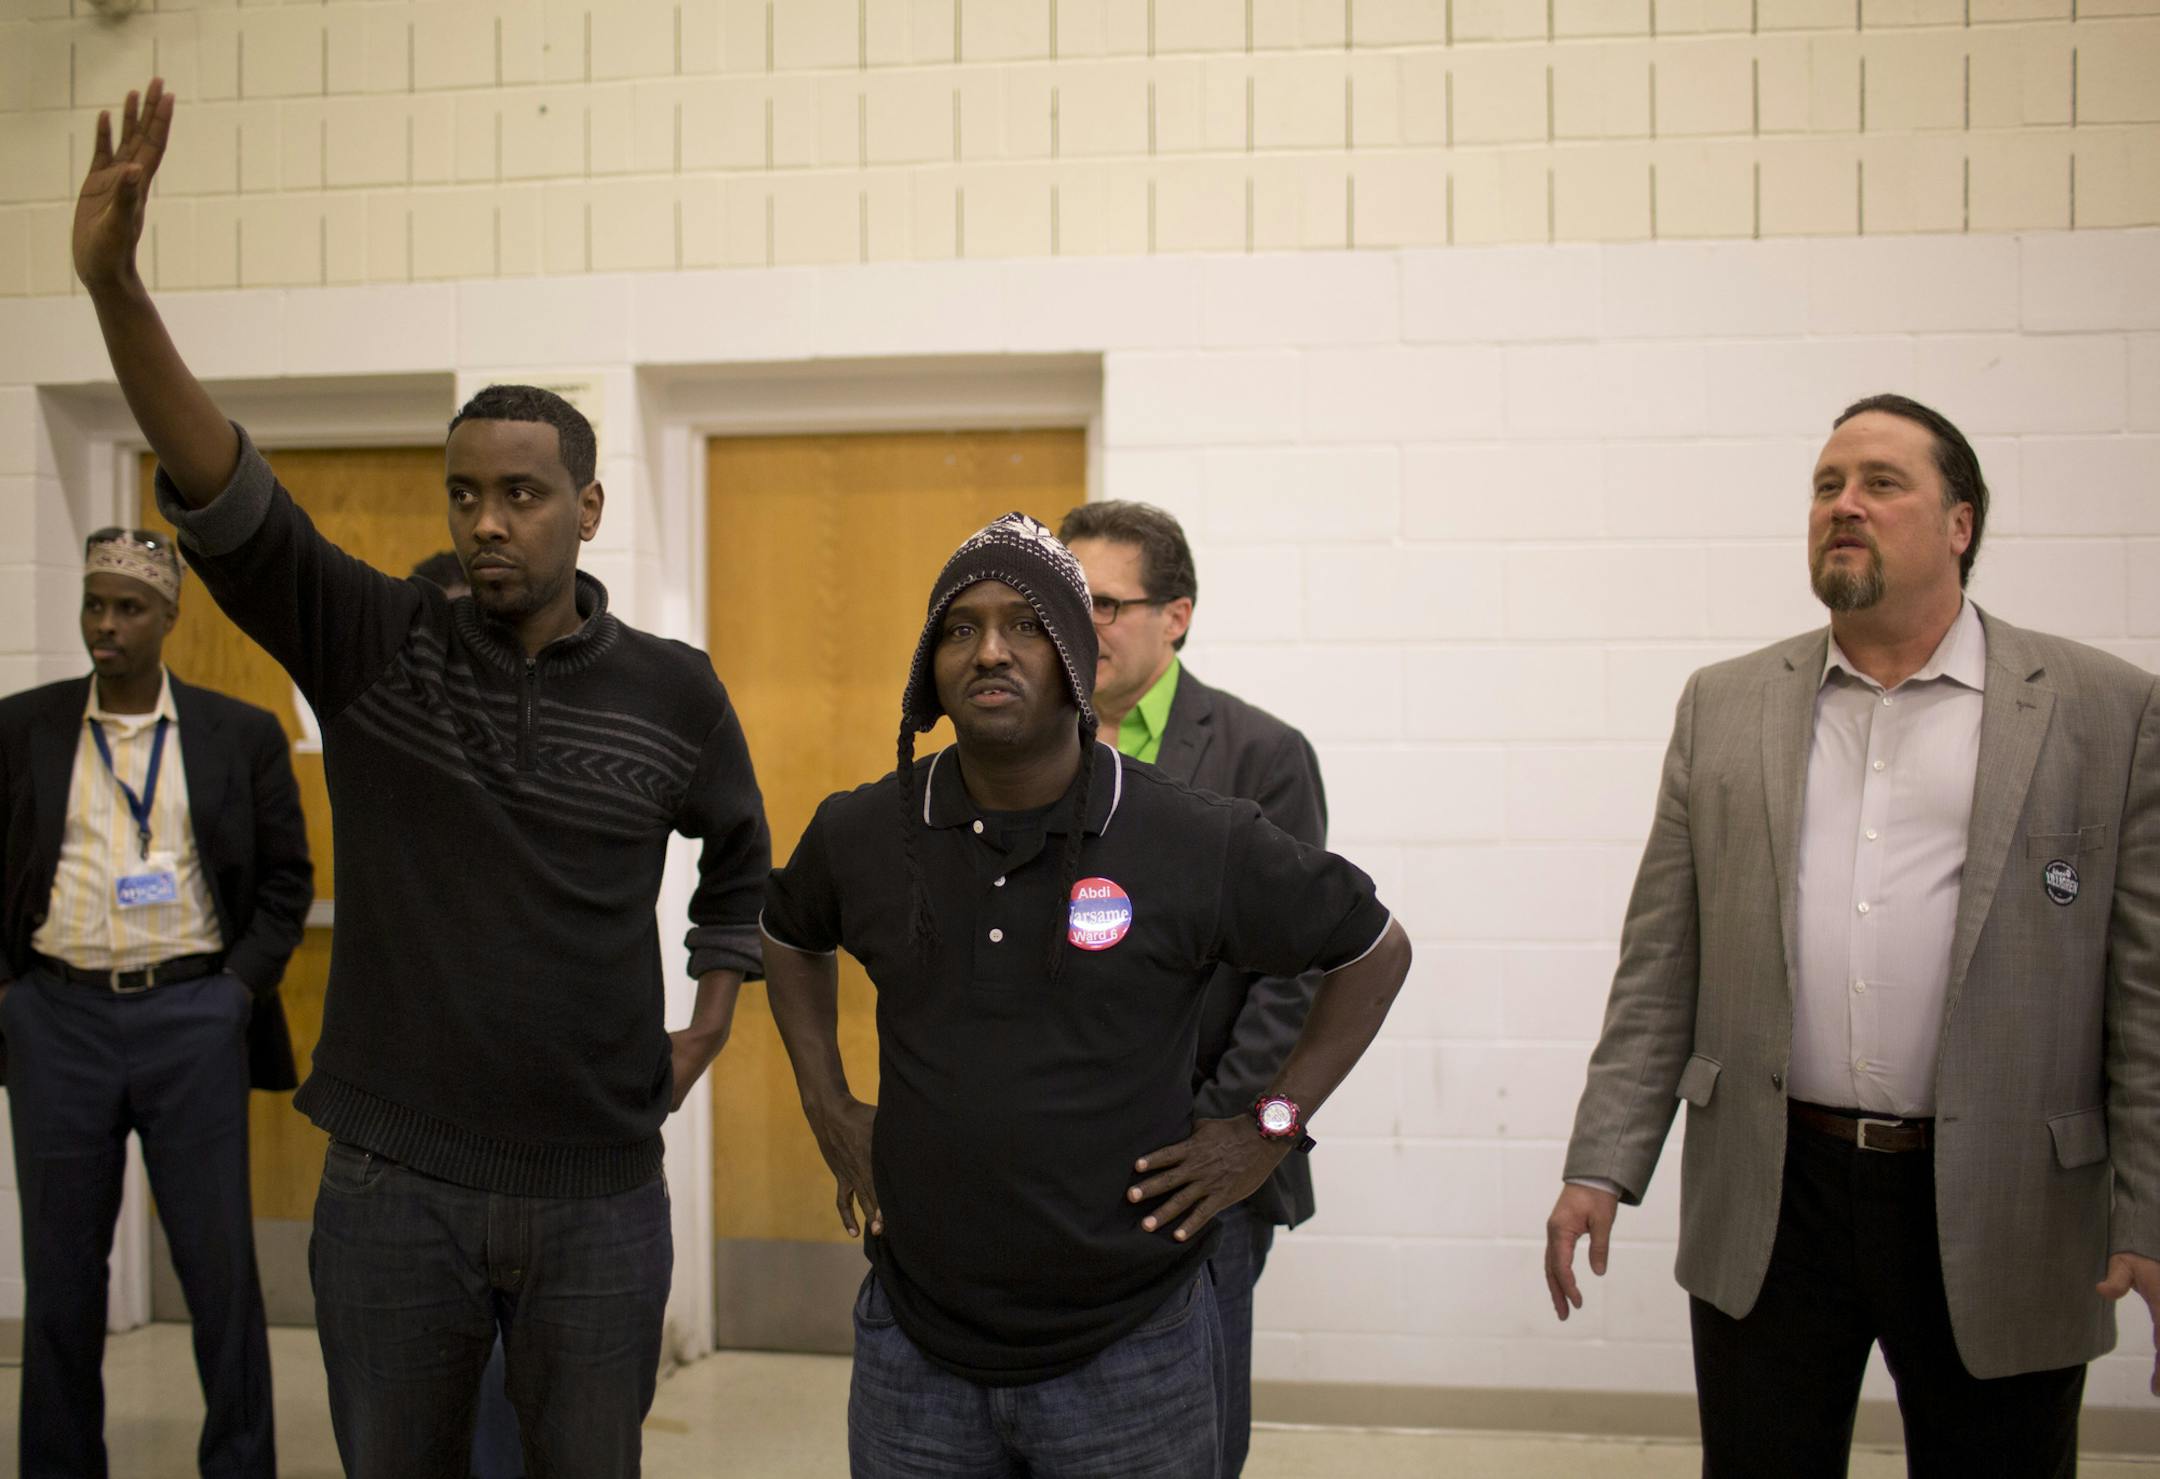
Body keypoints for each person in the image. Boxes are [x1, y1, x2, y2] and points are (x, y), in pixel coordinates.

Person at [72, 80, 772, 1477]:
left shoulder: (673, 691)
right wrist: (116, 290)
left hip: (597, 1190)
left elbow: (743, 862)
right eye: (465, 493)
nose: (488, 521)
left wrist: (705, 1025)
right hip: (395, 1184)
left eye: (522, 493)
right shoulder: (379, 646)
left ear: (587, 507)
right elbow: (231, 496)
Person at [1544, 393, 2160, 1476]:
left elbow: (2146, 1001)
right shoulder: (1724, 704)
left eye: (1881, 483)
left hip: (2006, 1198)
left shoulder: (2105, 710)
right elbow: (1661, 965)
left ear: (1960, 523)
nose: (1844, 504)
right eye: (1827, 485)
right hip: (1775, 1192)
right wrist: (1602, 1161)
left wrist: (2150, 1211)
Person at [760, 512, 1414, 1478]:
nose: (990, 649)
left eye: (1026, 625)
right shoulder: (864, 830)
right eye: (960, 627)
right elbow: (787, 934)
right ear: (930, 665)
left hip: (1130, 1352)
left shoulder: (1190, 835)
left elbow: (1374, 949)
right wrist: (825, 1099)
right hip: (914, 1346)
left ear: (1075, 654)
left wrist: (1270, 1126)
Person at [0, 528, 312, 1478]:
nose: (106, 624)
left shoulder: (238, 733)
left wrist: (235, 992)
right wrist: (12, 997)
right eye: (94, 604)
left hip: (192, 1020)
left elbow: (288, 882)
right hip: (58, 1022)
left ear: (168, 616)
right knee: (60, 1279)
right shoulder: (23, 726)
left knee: (220, 1274)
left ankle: (241, 1462)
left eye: (128, 607)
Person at [1058, 499, 1328, 1477]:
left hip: (1198, 1166)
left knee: (1191, 1442)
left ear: (1176, 616)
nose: (1078, 624)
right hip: (1051, 1161)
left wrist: (1227, 1136)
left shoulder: (1261, 756)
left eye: (1104, 603)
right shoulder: (1025, 747)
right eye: (1063, 600)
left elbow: (1294, 972)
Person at [412, 551, 523, 1479]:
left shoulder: (555, 756)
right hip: (414, 1132)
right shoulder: (393, 756)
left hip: (545, 1136)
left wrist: (703, 1030)